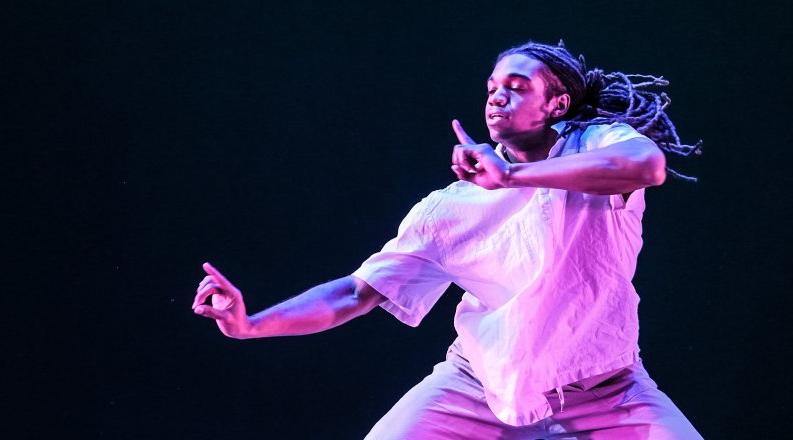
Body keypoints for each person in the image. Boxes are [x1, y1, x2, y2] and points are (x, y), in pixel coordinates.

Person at [192, 40, 703, 439]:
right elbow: (355, 293)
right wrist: (250, 325)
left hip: (605, 390)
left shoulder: (597, 144)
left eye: (518, 85)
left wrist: (511, 178)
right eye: (490, 87)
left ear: (557, 103)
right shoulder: (449, 208)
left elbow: (648, 166)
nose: (497, 96)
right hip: (476, 385)